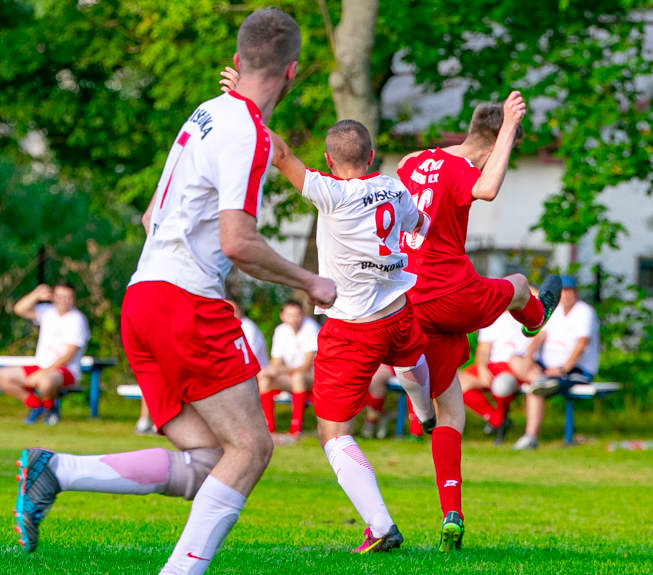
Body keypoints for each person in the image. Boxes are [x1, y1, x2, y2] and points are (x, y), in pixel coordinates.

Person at [14, 10, 336, 575]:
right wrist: (309, 280)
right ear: (293, 72)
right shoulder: (246, 133)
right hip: (183, 303)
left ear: (237, 63)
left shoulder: (207, 114)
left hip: (143, 298)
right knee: (252, 448)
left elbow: (149, 216)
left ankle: (55, 470)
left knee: (212, 458)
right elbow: (238, 241)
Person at [396, 92, 562, 551]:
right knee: (519, 283)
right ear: (492, 147)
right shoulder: (466, 171)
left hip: (408, 299)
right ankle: (533, 319)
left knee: (451, 407)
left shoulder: (413, 161)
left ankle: (452, 510)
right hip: (450, 291)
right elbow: (486, 188)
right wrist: (510, 125)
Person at [267, 118, 435, 553]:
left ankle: (381, 527)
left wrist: (246, 105)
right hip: (398, 310)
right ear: (372, 157)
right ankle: (427, 414)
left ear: (328, 161)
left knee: (333, 433)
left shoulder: (331, 193)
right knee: (408, 358)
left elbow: (281, 155)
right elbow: (421, 224)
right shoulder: (396, 188)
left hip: (353, 327)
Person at [513, 275, 600, 450]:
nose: (567, 296)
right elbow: (540, 336)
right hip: (549, 368)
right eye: (564, 292)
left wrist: (562, 369)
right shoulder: (557, 310)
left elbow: (581, 345)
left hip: (576, 370)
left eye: (570, 292)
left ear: (576, 293)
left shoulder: (584, 312)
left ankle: (530, 437)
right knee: (516, 360)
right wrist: (529, 357)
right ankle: (536, 378)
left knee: (537, 389)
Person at [0, 281, 90, 426]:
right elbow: (19, 309)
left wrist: (43, 373)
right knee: (2, 376)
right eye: (60, 296)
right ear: (53, 297)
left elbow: (69, 355)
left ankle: (50, 409)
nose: (64, 300)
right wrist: (36, 294)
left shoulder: (77, 319)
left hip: (65, 370)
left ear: (73, 298)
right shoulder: (47, 312)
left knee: (46, 381)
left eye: (68, 297)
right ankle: (36, 406)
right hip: (41, 366)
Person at [458, 310, 529, 444]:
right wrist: (482, 368)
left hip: (517, 366)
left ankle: (498, 422)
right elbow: (484, 349)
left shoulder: (529, 314)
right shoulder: (494, 316)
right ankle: (497, 420)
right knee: (457, 382)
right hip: (493, 365)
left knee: (502, 385)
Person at [258, 300, 318, 441]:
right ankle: (269, 429)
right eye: (290, 315)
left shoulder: (310, 328)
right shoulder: (281, 331)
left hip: (314, 377)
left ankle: (296, 429)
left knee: (297, 377)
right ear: (282, 316)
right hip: (292, 376)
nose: (294, 318)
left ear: (302, 315)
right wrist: (271, 370)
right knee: (265, 378)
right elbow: (276, 362)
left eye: (297, 315)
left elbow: (307, 365)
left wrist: (280, 370)